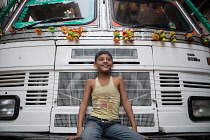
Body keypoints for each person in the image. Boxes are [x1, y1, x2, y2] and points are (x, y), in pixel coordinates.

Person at [66, 51, 145, 140]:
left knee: (138, 139)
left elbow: (125, 101)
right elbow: (84, 104)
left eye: (108, 59)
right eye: (101, 59)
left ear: (112, 64)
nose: (105, 61)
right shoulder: (91, 82)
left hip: (113, 124)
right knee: (87, 138)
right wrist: (79, 129)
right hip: (94, 122)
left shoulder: (118, 80)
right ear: (95, 64)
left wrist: (134, 126)